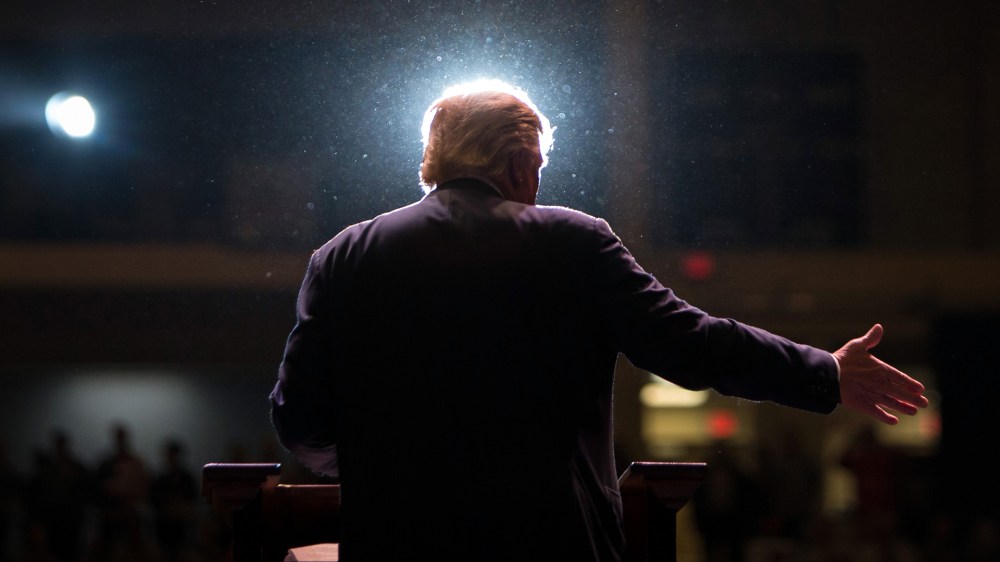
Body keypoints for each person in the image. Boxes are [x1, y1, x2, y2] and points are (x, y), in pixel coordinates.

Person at [269, 79, 928, 561]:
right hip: (551, 544)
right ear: (522, 163)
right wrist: (825, 372)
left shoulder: (343, 255)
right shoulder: (571, 241)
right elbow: (689, 346)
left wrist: (396, 473)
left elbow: (297, 414)